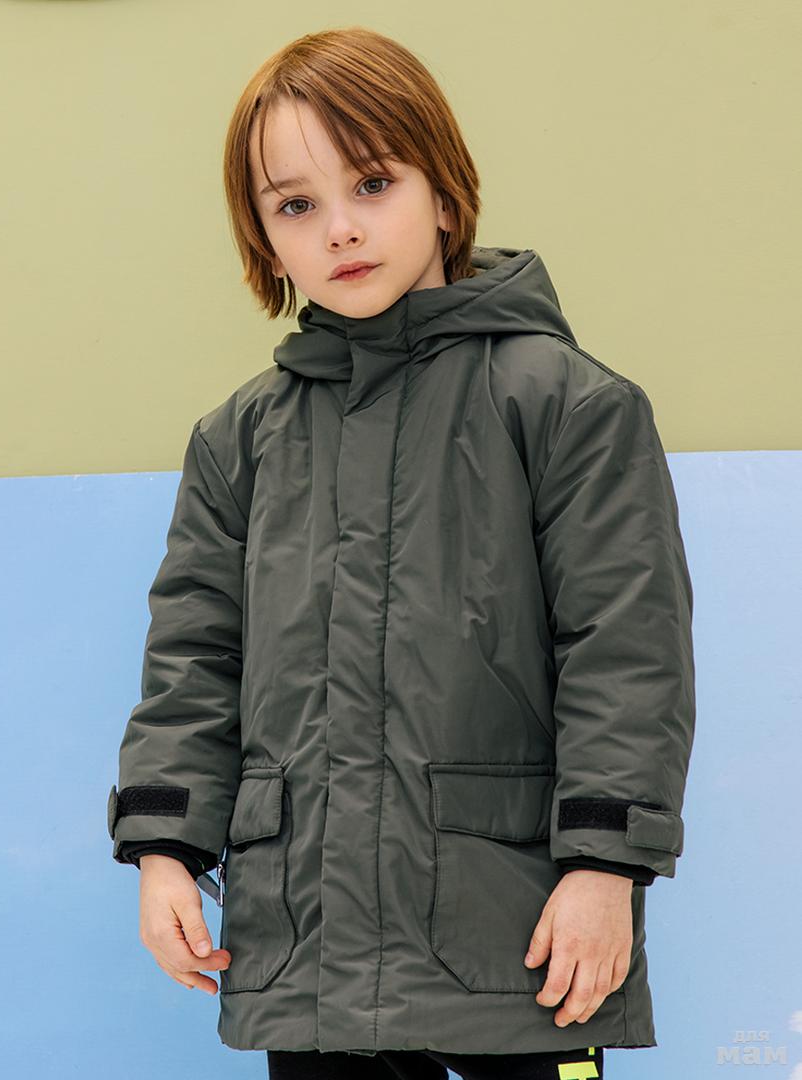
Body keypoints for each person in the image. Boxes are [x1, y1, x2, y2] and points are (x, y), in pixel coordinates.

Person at [107, 26, 695, 1080]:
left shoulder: (567, 406)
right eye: (295, 206)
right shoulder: (240, 440)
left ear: (445, 191)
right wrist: (164, 850)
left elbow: (626, 652)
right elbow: (193, 661)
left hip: (517, 944)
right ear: (264, 242)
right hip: (305, 948)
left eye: (373, 183)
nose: (340, 227)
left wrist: (606, 867)